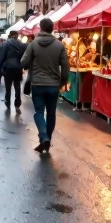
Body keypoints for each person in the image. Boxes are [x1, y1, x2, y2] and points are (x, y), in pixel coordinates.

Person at [21, 18, 70, 154]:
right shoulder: (59, 46)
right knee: (51, 114)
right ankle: (47, 141)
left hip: (37, 84)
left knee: (38, 112)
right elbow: (66, 67)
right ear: (52, 28)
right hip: (53, 84)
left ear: (40, 28)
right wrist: (62, 83)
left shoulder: (33, 45)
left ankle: (43, 137)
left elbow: (23, 62)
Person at [0, 30, 27, 111]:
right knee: (17, 85)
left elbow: (1, 56)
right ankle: (17, 102)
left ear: (10, 35)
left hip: (8, 67)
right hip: (18, 67)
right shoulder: (21, 44)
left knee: (8, 86)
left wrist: (0, 67)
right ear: (17, 35)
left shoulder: (6, 44)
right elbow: (24, 56)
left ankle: (7, 101)